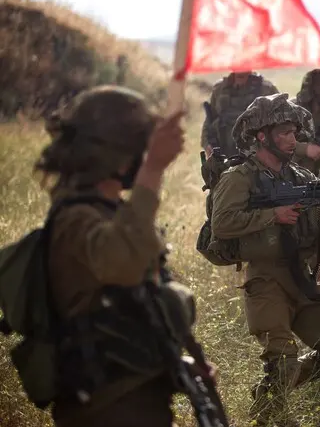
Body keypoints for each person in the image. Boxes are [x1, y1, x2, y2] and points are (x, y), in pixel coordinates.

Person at [32, 86, 218, 426]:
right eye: (140, 150)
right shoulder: (75, 219)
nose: (142, 158)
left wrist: (178, 366)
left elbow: (130, 311)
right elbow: (124, 265)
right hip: (105, 410)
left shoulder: (110, 213)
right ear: (115, 154)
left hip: (135, 399)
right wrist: (153, 171)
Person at [209, 92, 320, 426]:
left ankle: (272, 391)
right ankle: (271, 413)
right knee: (282, 359)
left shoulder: (300, 177)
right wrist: (272, 215)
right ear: (262, 136)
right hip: (266, 281)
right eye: (284, 133)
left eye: (294, 132)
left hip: (304, 280)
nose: (293, 139)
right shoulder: (239, 178)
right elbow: (222, 222)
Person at [201, 71, 280, 159]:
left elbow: (281, 121)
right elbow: (209, 120)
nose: (240, 71)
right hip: (223, 152)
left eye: (244, 66)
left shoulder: (267, 89)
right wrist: (207, 145)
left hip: (257, 155)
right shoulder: (219, 89)